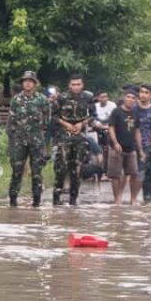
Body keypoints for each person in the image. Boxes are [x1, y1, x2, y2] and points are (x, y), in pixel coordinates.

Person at [7, 71, 49, 208]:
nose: (27, 83)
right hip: (19, 141)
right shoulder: (16, 100)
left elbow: (47, 122)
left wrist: (43, 142)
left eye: (30, 81)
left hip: (36, 142)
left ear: (35, 83)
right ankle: (13, 201)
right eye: (25, 81)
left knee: (37, 172)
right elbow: (11, 121)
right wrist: (12, 142)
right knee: (17, 171)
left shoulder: (42, 100)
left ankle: (36, 201)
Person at [52, 74, 94, 206]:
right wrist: (66, 125)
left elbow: (93, 115)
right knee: (61, 167)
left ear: (82, 85)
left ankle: (73, 199)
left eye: (78, 84)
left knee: (77, 168)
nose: (76, 87)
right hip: (64, 136)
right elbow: (53, 116)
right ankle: (56, 198)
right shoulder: (61, 98)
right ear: (69, 85)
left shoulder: (88, 98)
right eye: (73, 84)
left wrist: (82, 123)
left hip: (80, 136)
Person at [107, 90, 143, 207]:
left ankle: (133, 199)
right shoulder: (116, 112)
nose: (130, 99)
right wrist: (115, 142)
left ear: (136, 100)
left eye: (133, 98)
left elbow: (137, 131)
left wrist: (140, 149)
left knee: (134, 174)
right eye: (128, 97)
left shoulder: (135, 113)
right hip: (117, 148)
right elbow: (111, 128)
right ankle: (117, 199)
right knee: (115, 175)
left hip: (131, 148)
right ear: (124, 97)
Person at [135, 85, 151, 204]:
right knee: (136, 172)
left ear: (150, 95)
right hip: (133, 144)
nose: (143, 95)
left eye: (146, 92)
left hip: (149, 145)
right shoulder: (133, 108)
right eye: (141, 92)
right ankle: (133, 197)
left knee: (149, 171)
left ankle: (148, 194)